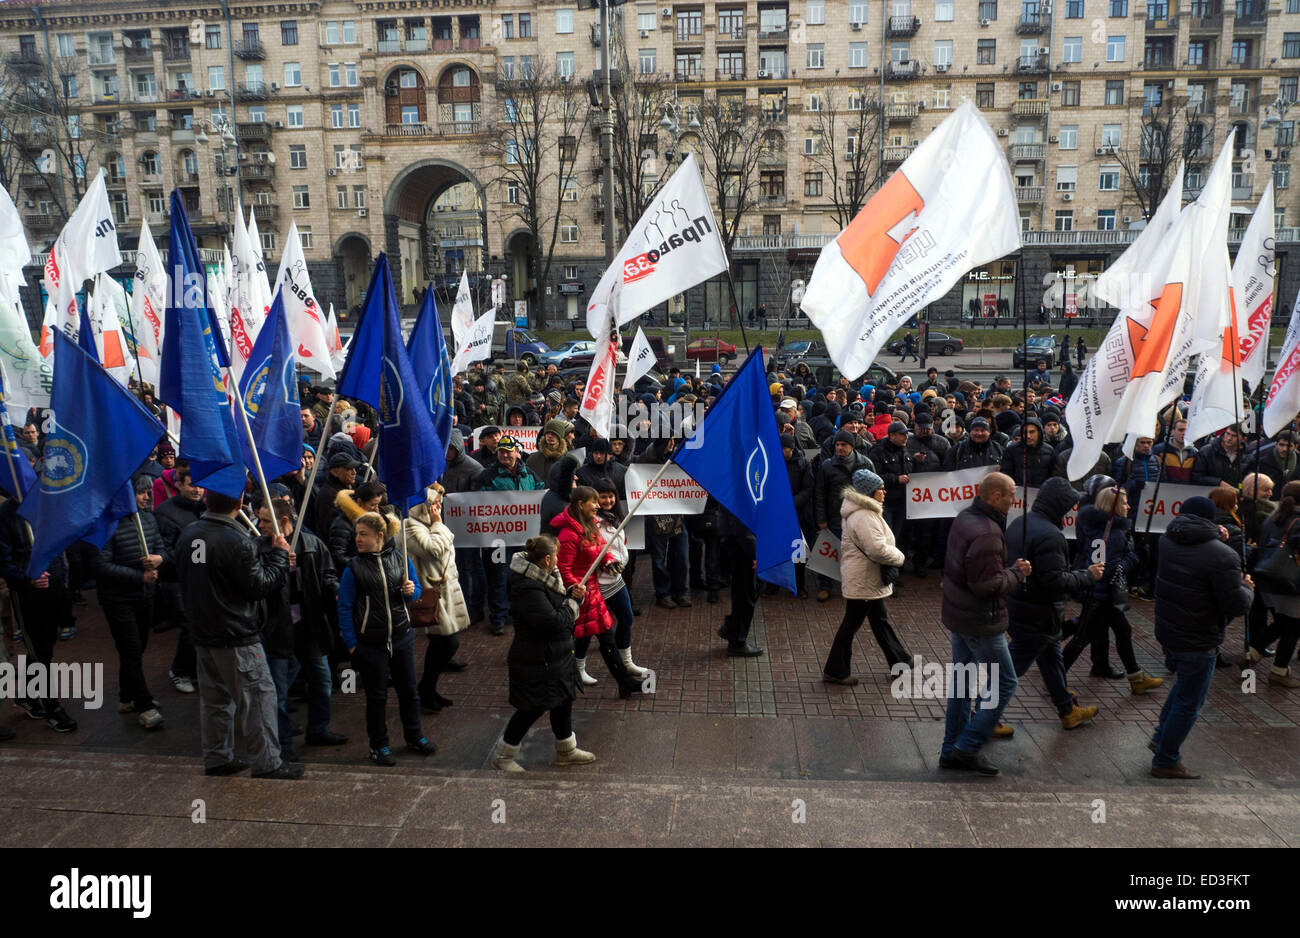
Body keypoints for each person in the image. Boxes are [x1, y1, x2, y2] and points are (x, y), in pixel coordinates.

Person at [176, 490, 301, 779]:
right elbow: (260, 585)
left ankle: (218, 757)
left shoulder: (190, 534)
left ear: (207, 502)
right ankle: (268, 762)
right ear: (239, 504)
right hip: (236, 635)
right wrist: (280, 558)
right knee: (258, 698)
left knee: (216, 700)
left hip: (204, 633)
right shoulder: (236, 541)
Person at [1151, 496, 1253, 778]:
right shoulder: (1222, 555)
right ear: (1213, 521)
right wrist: (1247, 588)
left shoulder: (1167, 541)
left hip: (1170, 629)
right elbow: (1235, 604)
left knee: (1182, 688)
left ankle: (1161, 737)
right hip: (1199, 637)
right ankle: (1166, 759)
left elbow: (1201, 559)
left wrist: (1218, 540)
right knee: (1189, 702)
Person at [939, 472, 1031, 776]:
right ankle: (968, 746)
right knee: (1006, 682)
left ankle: (951, 749)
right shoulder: (988, 533)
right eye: (1010, 495)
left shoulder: (967, 517)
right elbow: (985, 586)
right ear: (995, 496)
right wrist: (1016, 573)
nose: (1014, 500)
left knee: (962, 683)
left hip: (959, 615)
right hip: (980, 622)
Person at [1003, 478, 1106, 733]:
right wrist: (1088, 575)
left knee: (1051, 659)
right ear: (1058, 504)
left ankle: (1067, 710)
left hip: (1022, 606)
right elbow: (1055, 580)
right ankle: (981, 714)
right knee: (1009, 672)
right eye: (1069, 503)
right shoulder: (1050, 534)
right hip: (1038, 613)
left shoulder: (1021, 521)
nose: (1072, 509)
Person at [337, 511, 437, 766]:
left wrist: (410, 590)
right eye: (356, 534)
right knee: (377, 697)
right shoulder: (353, 569)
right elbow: (345, 608)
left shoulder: (400, 559)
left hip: (402, 637)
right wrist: (350, 644)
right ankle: (379, 745)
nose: (357, 539)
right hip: (371, 644)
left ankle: (414, 736)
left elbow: (414, 592)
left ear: (379, 536)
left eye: (364, 534)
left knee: (409, 692)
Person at [489, 535, 594, 773]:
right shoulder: (528, 587)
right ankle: (504, 755)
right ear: (547, 559)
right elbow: (554, 622)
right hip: (537, 660)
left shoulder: (543, 577)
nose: (558, 560)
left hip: (555, 656)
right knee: (532, 707)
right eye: (556, 556)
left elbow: (555, 604)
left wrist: (568, 594)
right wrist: (573, 603)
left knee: (563, 700)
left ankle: (566, 750)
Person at [1064, 486, 1164, 695]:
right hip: (1103, 595)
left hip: (1097, 592)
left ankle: (1136, 677)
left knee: (1121, 631)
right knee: (1083, 636)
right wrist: (1131, 559)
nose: (1128, 506)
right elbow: (1109, 568)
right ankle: (1055, 676)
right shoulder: (1115, 533)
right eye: (1125, 503)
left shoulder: (1094, 526)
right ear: (1116, 506)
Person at [552, 485, 642, 696]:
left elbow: (602, 549)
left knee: (605, 637)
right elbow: (563, 569)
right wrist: (575, 587)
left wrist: (609, 562)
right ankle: (571, 678)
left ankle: (623, 682)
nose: (597, 505)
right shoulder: (568, 535)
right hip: (583, 594)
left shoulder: (590, 524)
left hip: (592, 592)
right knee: (585, 636)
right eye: (593, 502)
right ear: (580, 505)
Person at [823, 470, 910, 684]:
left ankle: (900, 660)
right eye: (880, 488)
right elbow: (877, 549)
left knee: (879, 621)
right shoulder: (864, 516)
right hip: (864, 579)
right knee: (851, 624)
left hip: (866, 579)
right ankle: (836, 669)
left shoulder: (864, 511)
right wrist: (899, 557)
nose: (884, 491)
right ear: (870, 492)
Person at [97, 478, 170, 731]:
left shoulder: (148, 519)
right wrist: (140, 576)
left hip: (145, 596)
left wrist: (159, 559)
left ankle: (127, 697)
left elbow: (162, 548)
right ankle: (144, 704)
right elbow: (102, 565)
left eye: (147, 492)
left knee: (137, 649)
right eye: (140, 493)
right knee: (130, 649)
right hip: (118, 599)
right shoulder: (106, 524)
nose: (146, 497)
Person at [403, 486, 473, 711]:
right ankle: (425, 689)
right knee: (447, 642)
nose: (438, 508)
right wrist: (438, 523)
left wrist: (435, 524)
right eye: (434, 504)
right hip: (432, 592)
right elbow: (433, 550)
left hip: (445, 589)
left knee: (442, 642)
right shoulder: (410, 526)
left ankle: (428, 690)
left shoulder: (429, 525)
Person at [476, 435, 543, 635]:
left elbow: (541, 495)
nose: (504, 455)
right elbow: (478, 508)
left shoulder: (529, 474)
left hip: (524, 538)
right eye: (501, 452)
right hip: (498, 539)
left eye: (508, 451)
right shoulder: (487, 476)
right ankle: (498, 618)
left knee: (521, 576)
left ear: (517, 452)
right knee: (498, 576)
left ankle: (519, 613)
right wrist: (485, 537)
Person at [1241, 481, 1300, 687]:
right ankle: (1279, 671)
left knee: (1283, 622)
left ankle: (1254, 652)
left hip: (1268, 577)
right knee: (1293, 627)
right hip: (1291, 582)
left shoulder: (1273, 517)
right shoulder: (1297, 521)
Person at [592, 479, 649, 678]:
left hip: (616, 581)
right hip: (598, 584)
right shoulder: (592, 522)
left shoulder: (616, 517)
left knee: (626, 618)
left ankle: (626, 662)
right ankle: (578, 667)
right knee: (589, 629)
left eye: (610, 496)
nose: (607, 500)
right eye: (603, 496)